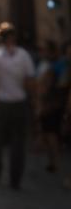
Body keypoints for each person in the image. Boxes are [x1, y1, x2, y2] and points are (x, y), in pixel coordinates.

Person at [0, 21, 36, 190]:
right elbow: (29, 81)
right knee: (17, 142)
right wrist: (32, 99)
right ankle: (15, 178)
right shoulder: (24, 55)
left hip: (1, 102)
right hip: (18, 102)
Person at [34, 40, 63, 176]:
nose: (42, 52)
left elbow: (47, 85)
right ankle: (51, 161)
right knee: (46, 132)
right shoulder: (44, 64)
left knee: (51, 133)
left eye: (44, 49)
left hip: (51, 103)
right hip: (45, 102)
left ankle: (55, 162)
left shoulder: (55, 66)